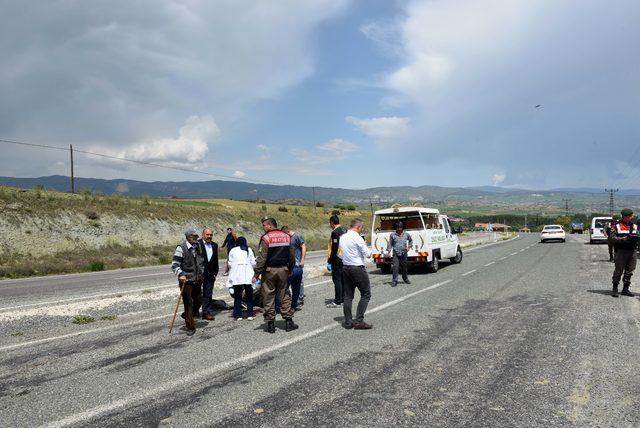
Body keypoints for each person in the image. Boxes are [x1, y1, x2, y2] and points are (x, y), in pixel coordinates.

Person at [254, 217, 298, 333]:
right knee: (284, 294)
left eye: (264, 225)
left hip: (269, 271)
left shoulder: (266, 238)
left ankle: (270, 324)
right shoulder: (286, 236)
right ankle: (288, 322)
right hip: (283, 269)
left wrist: (256, 273)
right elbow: (292, 256)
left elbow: (262, 258)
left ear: (269, 225)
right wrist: (290, 268)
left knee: (268, 296)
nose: (263, 228)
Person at [339, 218, 373, 330]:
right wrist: (366, 245)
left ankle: (348, 321)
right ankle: (359, 321)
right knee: (366, 293)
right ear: (358, 227)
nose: (361, 229)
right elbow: (368, 254)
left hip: (345, 267)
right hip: (357, 268)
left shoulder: (342, 237)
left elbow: (339, 254)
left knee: (348, 296)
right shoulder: (357, 237)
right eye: (361, 227)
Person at [171, 227, 205, 336]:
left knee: (199, 300)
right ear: (188, 236)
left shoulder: (198, 246)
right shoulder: (181, 248)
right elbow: (174, 265)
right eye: (194, 236)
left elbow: (201, 261)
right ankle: (190, 326)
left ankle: (187, 315)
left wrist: (202, 272)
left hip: (197, 279)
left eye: (196, 236)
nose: (196, 238)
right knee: (188, 303)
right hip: (186, 280)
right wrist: (181, 274)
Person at [609, 208, 638, 297]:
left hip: (632, 251)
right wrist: (622, 239)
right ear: (625, 217)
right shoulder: (616, 226)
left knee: (629, 271)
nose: (632, 217)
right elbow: (611, 238)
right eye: (630, 216)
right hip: (621, 251)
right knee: (618, 270)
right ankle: (615, 288)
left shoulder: (635, 226)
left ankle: (625, 289)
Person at [226, 237, 256, 320]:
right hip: (248, 275)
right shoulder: (249, 249)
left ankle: (238, 315)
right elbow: (253, 262)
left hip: (237, 275)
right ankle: (250, 314)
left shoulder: (233, 250)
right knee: (249, 295)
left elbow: (230, 264)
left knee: (237, 296)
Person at [281, 225, 306, 311]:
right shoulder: (287, 238)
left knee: (299, 283)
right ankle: (291, 301)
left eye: (285, 234)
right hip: (290, 265)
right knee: (290, 284)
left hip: (298, 263)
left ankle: (300, 299)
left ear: (288, 231)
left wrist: (302, 260)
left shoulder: (297, 236)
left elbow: (303, 247)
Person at [198, 228, 219, 321]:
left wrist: (215, 273)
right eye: (207, 234)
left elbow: (215, 260)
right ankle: (193, 311)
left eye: (211, 235)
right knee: (196, 294)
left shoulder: (214, 245)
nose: (209, 236)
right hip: (199, 274)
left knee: (208, 294)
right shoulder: (197, 244)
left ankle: (206, 313)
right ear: (203, 235)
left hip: (210, 274)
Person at [326, 214, 347, 308]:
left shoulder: (335, 232)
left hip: (337, 259)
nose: (330, 225)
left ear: (332, 223)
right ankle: (343, 299)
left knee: (337, 280)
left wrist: (330, 261)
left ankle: (338, 301)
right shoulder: (345, 230)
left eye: (330, 223)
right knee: (343, 280)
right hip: (345, 258)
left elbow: (334, 248)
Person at [388, 221, 413, 287]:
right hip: (396, 253)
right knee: (395, 267)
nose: (399, 229)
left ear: (402, 227)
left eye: (400, 227)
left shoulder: (406, 234)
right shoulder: (393, 235)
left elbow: (410, 241)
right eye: (398, 227)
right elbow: (390, 243)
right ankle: (394, 281)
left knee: (404, 267)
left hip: (403, 253)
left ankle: (405, 279)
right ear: (396, 228)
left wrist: (409, 247)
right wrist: (389, 250)